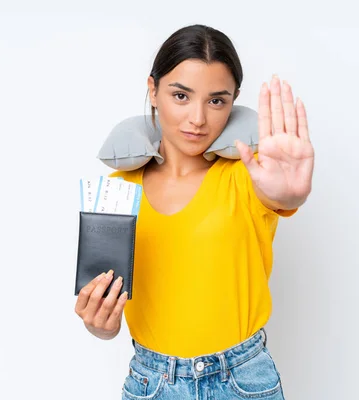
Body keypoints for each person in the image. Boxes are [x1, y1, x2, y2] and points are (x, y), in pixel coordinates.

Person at [74, 24, 314, 399]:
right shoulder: (118, 191)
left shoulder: (248, 177)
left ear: (234, 101)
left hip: (241, 381)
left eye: (216, 100)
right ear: (153, 90)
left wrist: (290, 196)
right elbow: (104, 294)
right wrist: (101, 325)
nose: (198, 119)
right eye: (181, 95)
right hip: (152, 383)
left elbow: (280, 199)